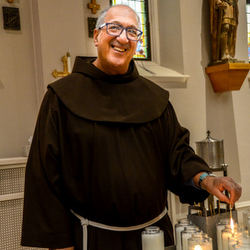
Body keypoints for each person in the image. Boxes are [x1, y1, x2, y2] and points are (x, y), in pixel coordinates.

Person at [21, 4, 242, 250]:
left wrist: (207, 179)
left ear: (137, 41)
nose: (122, 38)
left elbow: (177, 155)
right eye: (114, 28)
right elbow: (45, 177)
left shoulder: (155, 98)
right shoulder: (61, 98)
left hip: (155, 236)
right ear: (96, 36)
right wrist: (60, 245)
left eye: (132, 32)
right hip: (91, 238)